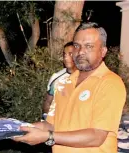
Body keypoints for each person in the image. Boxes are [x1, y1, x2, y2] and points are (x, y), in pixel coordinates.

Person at [14, 22, 126, 153]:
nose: (81, 52)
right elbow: (50, 124)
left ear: (103, 51)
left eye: (89, 46)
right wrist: (16, 128)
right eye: (77, 46)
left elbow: (97, 136)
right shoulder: (64, 82)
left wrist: (48, 136)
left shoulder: (110, 83)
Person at [42, 42, 77, 120]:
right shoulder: (56, 77)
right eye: (64, 54)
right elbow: (48, 102)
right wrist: (46, 118)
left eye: (70, 54)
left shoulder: (86, 77)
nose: (66, 58)